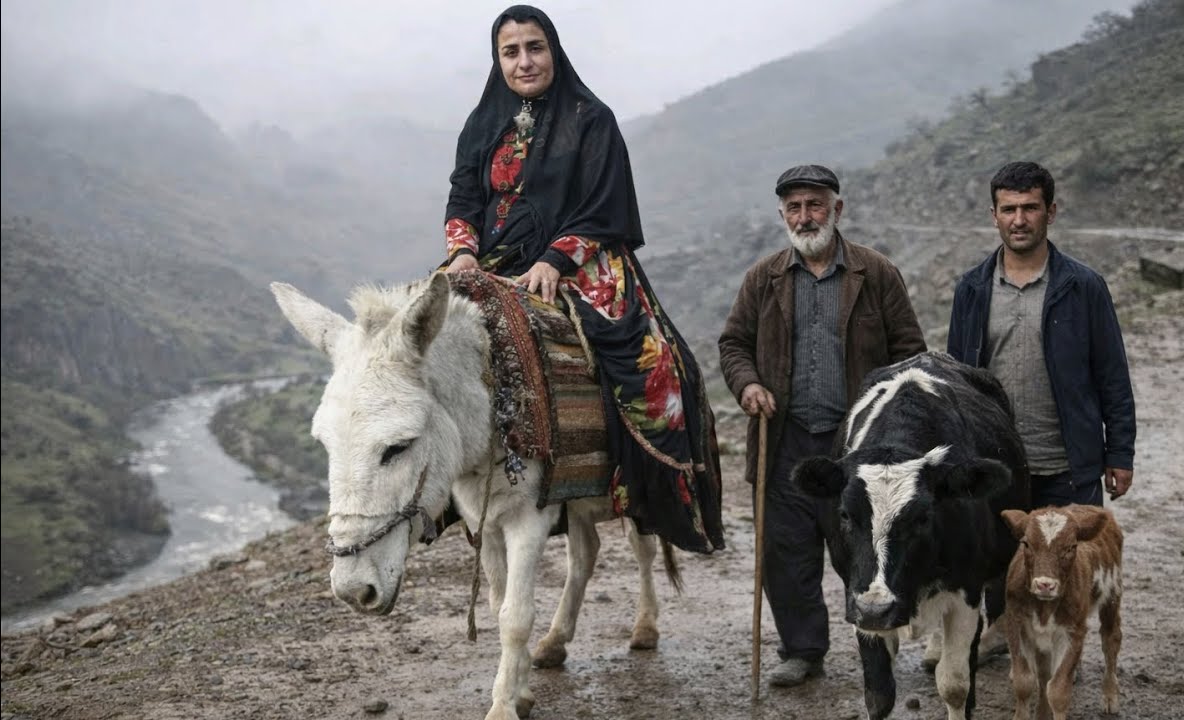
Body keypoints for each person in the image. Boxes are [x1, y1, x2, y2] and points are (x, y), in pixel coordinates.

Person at [440, 5, 722, 554]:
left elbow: (602, 204)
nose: (524, 61)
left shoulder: (591, 118)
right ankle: (432, 495)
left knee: (658, 370)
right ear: (497, 60)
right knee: (424, 345)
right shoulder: (480, 124)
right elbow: (463, 196)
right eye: (511, 51)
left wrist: (554, 260)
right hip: (490, 259)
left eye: (535, 47)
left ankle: (648, 492)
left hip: (581, 257)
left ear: (555, 50)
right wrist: (461, 251)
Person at [719, 164, 927, 687]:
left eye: (815, 205)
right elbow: (733, 345)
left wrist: (888, 417)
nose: (805, 216)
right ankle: (804, 650)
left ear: (837, 210)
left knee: (858, 548)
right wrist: (747, 386)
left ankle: (875, 644)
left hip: (857, 445)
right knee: (786, 553)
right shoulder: (763, 278)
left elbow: (910, 352)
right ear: (782, 215)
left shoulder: (875, 273)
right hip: (783, 438)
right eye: (795, 207)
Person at [946, 160, 1136, 658]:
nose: (1019, 219)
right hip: (996, 460)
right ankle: (1002, 632)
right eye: (1008, 209)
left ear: (1051, 211)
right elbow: (959, 379)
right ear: (994, 215)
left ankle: (1059, 654)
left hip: (1067, 459)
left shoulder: (1083, 286)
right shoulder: (972, 288)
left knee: (1067, 559)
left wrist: (1120, 452)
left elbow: (1112, 374)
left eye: (1030, 207)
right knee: (998, 554)